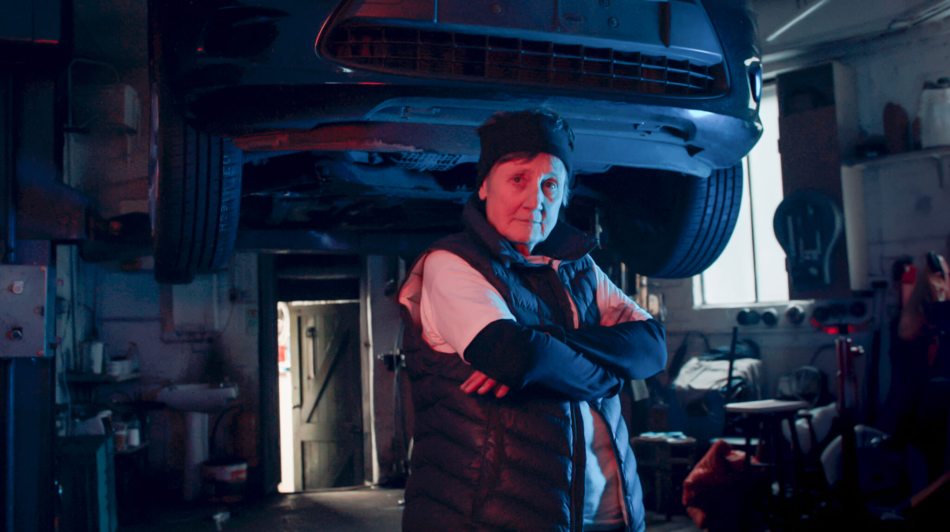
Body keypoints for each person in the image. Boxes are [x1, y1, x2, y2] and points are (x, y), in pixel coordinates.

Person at [397, 109, 668, 531]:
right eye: (519, 179)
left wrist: (546, 340)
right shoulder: (451, 263)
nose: (534, 199)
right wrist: (612, 376)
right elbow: (512, 355)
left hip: (608, 517)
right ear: (484, 185)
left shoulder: (579, 267)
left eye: (550, 184)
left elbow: (652, 346)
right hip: (492, 518)